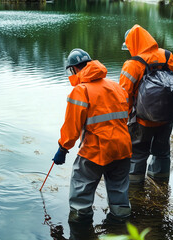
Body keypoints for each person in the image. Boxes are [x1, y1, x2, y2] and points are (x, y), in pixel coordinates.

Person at [52, 48, 132, 225]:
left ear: (74, 69)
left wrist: (63, 148)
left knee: (81, 188)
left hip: (96, 150)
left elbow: (72, 127)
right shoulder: (116, 86)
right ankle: (121, 226)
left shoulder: (80, 91)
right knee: (119, 192)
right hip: (123, 148)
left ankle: (81, 228)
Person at [119, 24, 173, 183]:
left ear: (133, 44)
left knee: (137, 154)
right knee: (162, 151)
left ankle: (135, 188)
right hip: (166, 116)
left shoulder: (132, 64)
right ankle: (161, 180)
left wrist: (124, 119)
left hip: (142, 120)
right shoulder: (168, 56)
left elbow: (124, 96)